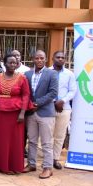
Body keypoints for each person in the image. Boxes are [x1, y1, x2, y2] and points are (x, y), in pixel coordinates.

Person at [0, 54, 30, 174]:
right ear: (4, 63)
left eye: (15, 63)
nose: (12, 65)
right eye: (10, 62)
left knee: (14, 141)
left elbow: (26, 95)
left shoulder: (22, 78)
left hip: (16, 114)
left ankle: (12, 166)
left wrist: (22, 112)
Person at [24, 50, 58, 179]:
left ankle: (47, 167)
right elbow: (25, 92)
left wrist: (37, 103)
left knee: (46, 142)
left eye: (41, 58)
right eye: (37, 58)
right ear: (33, 59)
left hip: (45, 113)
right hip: (31, 113)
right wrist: (29, 105)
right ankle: (31, 164)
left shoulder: (52, 74)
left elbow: (53, 93)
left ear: (46, 59)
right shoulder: (27, 74)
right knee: (31, 140)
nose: (39, 60)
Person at [50, 51, 77, 169]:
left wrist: (62, 101)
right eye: (58, 57)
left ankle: (55, 159)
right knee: (48, 135)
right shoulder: (46, 72)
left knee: (60, 135)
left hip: (64, 108)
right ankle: (47, 158)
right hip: (49, 108)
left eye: (62, 57)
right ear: (52, 58)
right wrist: (53, 102)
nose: (60, 59)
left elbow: (73, 91)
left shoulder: (69, 74)